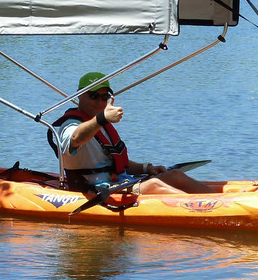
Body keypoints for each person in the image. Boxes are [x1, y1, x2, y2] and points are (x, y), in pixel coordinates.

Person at [49, 72, 212, 195]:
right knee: (154, 186)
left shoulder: (101, 125)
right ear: (80, 94)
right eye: (93, 96)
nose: (99, 101)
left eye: (104, 96)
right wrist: (101, 118)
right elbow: (76, 138)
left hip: (120, 182)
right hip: (97, 191)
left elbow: (117, 163)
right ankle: (206, 209)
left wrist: (146, 168)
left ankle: (220, 201)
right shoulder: (71, 124)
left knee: (175, 175)